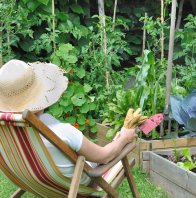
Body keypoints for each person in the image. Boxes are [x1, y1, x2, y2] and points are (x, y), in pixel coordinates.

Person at [0, 59, 137, 186]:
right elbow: (104, 157)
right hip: (75, 182)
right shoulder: (62, 132)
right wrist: (124, 138)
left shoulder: (6, 131)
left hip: (31, 180)